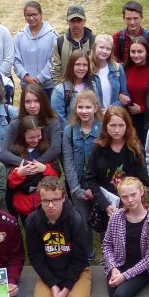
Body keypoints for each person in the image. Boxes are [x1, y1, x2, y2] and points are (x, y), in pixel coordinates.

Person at [84, 106, 149, 219]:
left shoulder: (135, 150)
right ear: (105, 126)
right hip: (106, 205)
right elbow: (91, 178)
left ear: (127, 126)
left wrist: (130, 201)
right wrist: (105, 204)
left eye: (121, 125)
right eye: (113, 125)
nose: (117, 130)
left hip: (131, 205)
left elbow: (143, 181)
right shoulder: (98, 149)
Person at [61, 90, 102, 235]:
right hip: (78, 182)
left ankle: (107, 256)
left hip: (99, 183)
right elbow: (68, 160)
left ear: (95, 108)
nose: (84, 111)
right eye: (80, 107)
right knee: (82, 222)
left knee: (104, 220)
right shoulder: (69, 131)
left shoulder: (104, 129)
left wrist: (96, 188)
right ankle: (87, 255)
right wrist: (76, 189)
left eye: (88, 107)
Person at [5, 116, 58, 218]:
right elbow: (9, 183)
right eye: (31, 137)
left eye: (38, 136)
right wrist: (19, 174)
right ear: (22, 135)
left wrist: (45, 169)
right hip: (23, 205)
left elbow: (57, 177)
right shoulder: (14, 152)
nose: (36, 140)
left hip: (44, 203)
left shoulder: (46, 150)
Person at [13, 1, 57, 94]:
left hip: (48, 87)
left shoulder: (52, 36)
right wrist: (26, 77)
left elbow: (54, 60)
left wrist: (40, 78)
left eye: (34, 14)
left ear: (41, 14)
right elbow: (16, 60)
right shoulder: (19, 37)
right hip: (26, 86)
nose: (31, 18)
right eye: (28, 15)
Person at [50, 4, 95, 88]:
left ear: (84, 21)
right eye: (72, 21)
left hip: (90, 88)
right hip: (67, 90)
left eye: (79, 20)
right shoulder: (60, 43)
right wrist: (61, 90)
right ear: (67, 21)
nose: (75, 24)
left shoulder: (94, 41)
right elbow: (56, 71)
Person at [90, 33, 130, 111]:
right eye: (101, 47)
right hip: (94, 115)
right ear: (94, 47)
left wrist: (110, 109)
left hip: (113, 114)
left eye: (108, 49)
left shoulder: (117, 68)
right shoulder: (87, 69)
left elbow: (125, 96)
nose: (104, 51)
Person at [123, 37, 149, 141]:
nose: (136, 55)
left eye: (140, 51)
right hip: (127, 118)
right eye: (133, 52)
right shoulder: (124, 69)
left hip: (147, 120)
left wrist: (142, 109)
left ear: (147, 52)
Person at [51, 49, 92, 120]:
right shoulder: (60, 90)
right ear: (71, 66)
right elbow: (59, 118)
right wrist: (70, 131)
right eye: (78, 64)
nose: (81, 68)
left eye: (85, 65)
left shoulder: (92, 86)